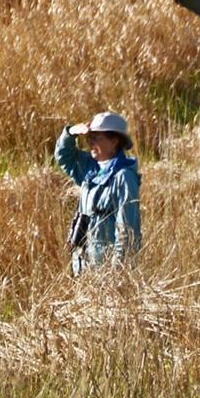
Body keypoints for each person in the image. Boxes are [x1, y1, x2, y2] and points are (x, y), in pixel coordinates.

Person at [54, 111, 141, 275]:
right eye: (89, 138)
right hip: (83, 266)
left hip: (107, 271)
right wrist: (71, 133)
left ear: (114, 141)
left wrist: (118, 273)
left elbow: (128, 231)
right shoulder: (90, 168)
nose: (90, 142)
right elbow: (63, 156)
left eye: (96, 138)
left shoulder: (124, 177)